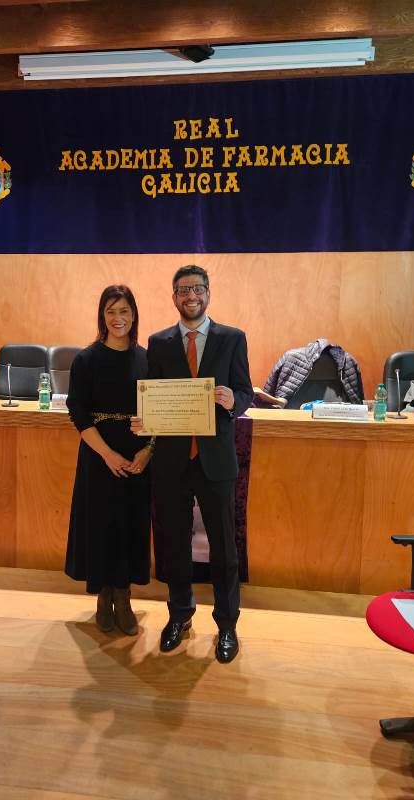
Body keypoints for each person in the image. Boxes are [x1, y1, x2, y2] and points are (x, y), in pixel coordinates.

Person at [133, 265, 253, 663]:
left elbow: (245, 391)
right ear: (174, 296)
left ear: (207, 293)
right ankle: (179, 616)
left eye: (198, 288)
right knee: (174, 546)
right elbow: (153, 396)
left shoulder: (232, 338)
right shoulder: (159, 342)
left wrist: (232, 400)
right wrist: (144, 418)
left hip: (215, 460)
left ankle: (227, 625)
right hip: (171, 462)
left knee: (224, 548)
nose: (191, 295)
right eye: (183, 289)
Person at [65, 285, 152, 635]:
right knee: (101, 526)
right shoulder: (86, 359)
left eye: (125, 311)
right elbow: (79, 413)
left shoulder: (148, 359)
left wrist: (149, 450)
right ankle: (104, 598)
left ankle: (125, 596)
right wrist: (108, 455)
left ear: (134, 315)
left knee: (130, 526)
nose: (119, 319)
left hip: (138, 458)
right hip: (99, 456)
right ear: (103, 316)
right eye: (111, 311)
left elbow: (161, 411)